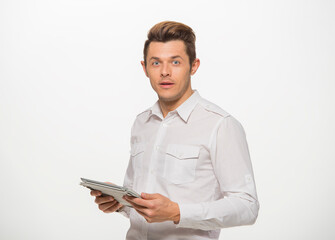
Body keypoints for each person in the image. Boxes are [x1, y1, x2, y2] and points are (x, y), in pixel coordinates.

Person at [90, 20, 259, 240]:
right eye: (156, 63)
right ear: (145, 68)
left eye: (176, 62)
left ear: (194, 65)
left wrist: (178, 212)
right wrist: (121, 202)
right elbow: (145, 208)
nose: (165, 72)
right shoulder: (142, 123)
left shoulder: (220, 125)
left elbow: (247, 207)